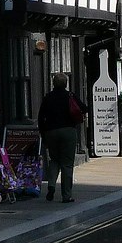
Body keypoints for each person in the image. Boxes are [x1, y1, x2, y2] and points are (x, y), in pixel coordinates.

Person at [37, 73, 87, 203]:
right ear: (66, 84)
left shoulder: (48, 97)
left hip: (51, 132)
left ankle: (51, 186)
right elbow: (84, 108)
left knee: (54, 160)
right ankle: (66, 195)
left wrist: (43, 133)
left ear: (53, 83)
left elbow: (41, 117)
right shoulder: (69, 96)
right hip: (68, 131)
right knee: (67, 164)